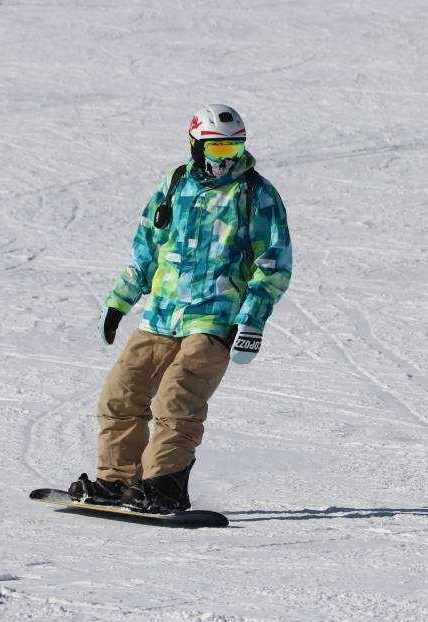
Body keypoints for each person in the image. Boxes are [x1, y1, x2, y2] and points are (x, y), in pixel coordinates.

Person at [69, 104, 293, 513]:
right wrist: (120, 300)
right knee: (120, 395)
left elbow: (274, 264)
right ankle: (117, 482)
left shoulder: (256, 194)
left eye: (234, 149)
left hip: (214, 318)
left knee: (176, 399)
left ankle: (164, 486)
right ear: (196, 146)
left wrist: (252, 320)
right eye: (217, 149)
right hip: (162, 315)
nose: (226, 160)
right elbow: (146, 249)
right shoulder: (175, 185)